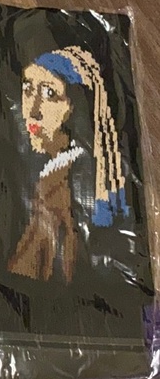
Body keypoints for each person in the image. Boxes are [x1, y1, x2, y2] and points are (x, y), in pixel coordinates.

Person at [8, 46, 128, 284]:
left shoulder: (63, 184)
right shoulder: (54, 170)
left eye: (50, 93)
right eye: (28, 89)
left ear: (75, 107)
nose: (33, 110)